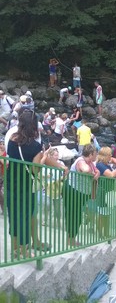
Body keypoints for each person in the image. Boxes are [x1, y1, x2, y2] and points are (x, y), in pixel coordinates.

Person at [5, 109, 53, 258]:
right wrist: (44, 156)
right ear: (33, 125)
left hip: (11, 183)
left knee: (14, 217)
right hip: (26, 187)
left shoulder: (12, 139)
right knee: (25, 217)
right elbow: (35, 170)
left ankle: (15, 249)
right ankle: (25, 251)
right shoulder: (36, 147)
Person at [64, 144, 99, 247]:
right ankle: (70, 240)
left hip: (79, 192)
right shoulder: (81, 161)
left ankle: (71, 239)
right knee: (73, 216)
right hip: (72, 190)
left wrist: (96, 172)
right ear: (91, 154)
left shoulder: (90, 163)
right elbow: (85, 170)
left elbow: (96, 170)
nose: (96, 155)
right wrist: (93, 174)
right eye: (95, 153)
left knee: (77, 216)